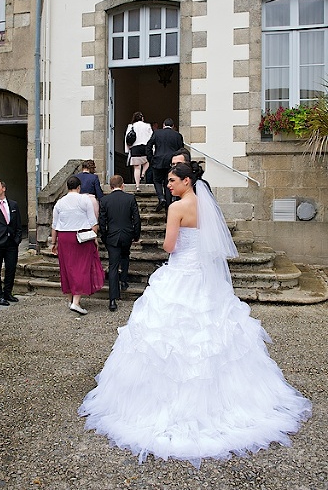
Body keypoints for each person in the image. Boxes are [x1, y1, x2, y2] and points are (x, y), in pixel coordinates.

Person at [78, 162, 311, 467]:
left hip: (181, 274)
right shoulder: (206, 204)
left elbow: (169, 245)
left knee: (169, 337)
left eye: (173, 180)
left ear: (187, 181)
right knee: (212, 334)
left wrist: (168, 241)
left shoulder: (177, 209)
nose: (169, 185)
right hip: (204, 278)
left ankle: (167, 406)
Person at [49, 175, 105, 315]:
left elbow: (54, 225)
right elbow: (93, 222)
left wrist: (53, 242)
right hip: (81, 237)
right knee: (81, 267)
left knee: (67, 268)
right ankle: (75, 302)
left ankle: (71, 299)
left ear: (67, 187)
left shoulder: (60, 202)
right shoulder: (84, 199)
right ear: (79, 187)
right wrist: (95, 238)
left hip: (64, 238)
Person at [98, 175, 141, 312]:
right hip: (127, 234)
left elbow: (102, 222)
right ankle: (124, 280)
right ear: (122, 185)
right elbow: (136, 219)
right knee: (125, 255)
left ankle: (112, 299)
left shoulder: (105, 200)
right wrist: (136, 235)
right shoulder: (130, 198)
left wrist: (104, 237)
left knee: (113, 265)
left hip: (112, 236)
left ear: (111, 187)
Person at [145, 118, 184, 212]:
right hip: (171, 162)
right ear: (173, 126)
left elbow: (149, 145)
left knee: (157, 181)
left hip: (158, 160)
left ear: (163, 125)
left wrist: (151, 158)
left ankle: (161, 198)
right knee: (168, 183)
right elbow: (181, 150)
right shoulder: (177, 135)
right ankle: (168, 205)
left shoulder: (157, 133)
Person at [124, 112, 153, 192]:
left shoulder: (131, 126)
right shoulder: (147, 126)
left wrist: (127, 150)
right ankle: (143, 173)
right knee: (148, 161)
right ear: (142, 118)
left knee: (137, 168)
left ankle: (137, 186)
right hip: (145, 146)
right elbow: (151, 137)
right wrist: (152, 149)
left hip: (135, 147)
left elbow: (127, 138)